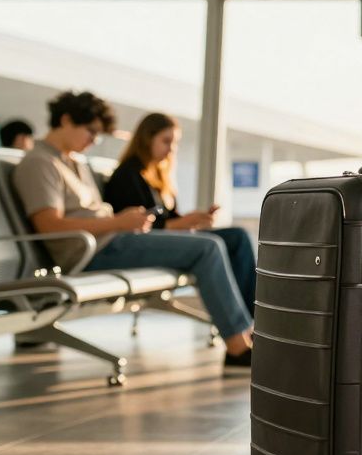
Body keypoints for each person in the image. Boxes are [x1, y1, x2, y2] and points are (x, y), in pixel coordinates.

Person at [11, 91, 254, 368]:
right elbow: (50, 226)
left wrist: (124, 222)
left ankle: (246, 335)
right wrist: (118, 222)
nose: (94, 140)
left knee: (223, 241)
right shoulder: (40, 163)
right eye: (90, 131)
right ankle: (237, 348)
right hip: (93, 251)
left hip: (114, 239)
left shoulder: (72, 162)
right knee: (208, 248)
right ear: (65, 120)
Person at [103, 112, 256, 315]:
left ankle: (251, 315)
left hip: (168, 237)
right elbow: (138, 228)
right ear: (147, 139)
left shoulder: (159, 176)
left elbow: (171, 219)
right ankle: (248, 320)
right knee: (223, 243)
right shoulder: (128, 175)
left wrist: (194, 220)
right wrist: (182, 224)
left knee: (238, 236)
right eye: (166, 141)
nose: (171, 149)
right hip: (144, 243)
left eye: (175, 143)